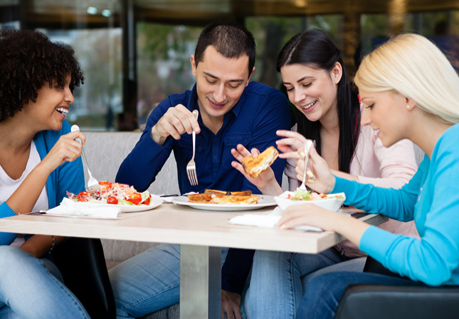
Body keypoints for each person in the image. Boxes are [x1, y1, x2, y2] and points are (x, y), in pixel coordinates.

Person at [276, 33, 459, 319]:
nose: (365, 119)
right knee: (329, 286)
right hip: (447, 287)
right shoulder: (444, 146)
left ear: (407, 98)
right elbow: (406, 202)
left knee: (327, 290)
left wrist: (338, 221)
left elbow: (433, 264)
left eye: (370, 105)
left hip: (457, 296)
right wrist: (334, 184)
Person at [230, 28, 418, 318]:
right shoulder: (298, 137)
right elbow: (304, 210)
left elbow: (403, 187)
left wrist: (333, 181)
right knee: (269, 252)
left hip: (381, 255)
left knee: (303, 283)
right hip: (332, 249)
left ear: (336, 72)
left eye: (306, 83)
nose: (298, 97)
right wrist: (270, 187)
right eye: (290, 88)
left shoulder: (376, 118)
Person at [109, 20, 291, 319]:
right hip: (194, 245)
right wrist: (157, 136)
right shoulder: (173, 109)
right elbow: (125, 188)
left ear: (250, 77)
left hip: (254, 246)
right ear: (194, 65)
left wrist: (229, 282)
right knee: (105, 297)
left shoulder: (268, 106)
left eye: (234, 84)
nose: (219, 95)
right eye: (211, 79)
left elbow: (264, 198)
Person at [0, 29, 90, 318]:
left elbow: (70, 214)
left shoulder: (61, 135)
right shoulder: (54, 153)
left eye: (70, 86)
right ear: (24, 87)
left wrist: (19, 258)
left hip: (35, 270)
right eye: (58, 86)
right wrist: (44, 167)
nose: (70, 98)